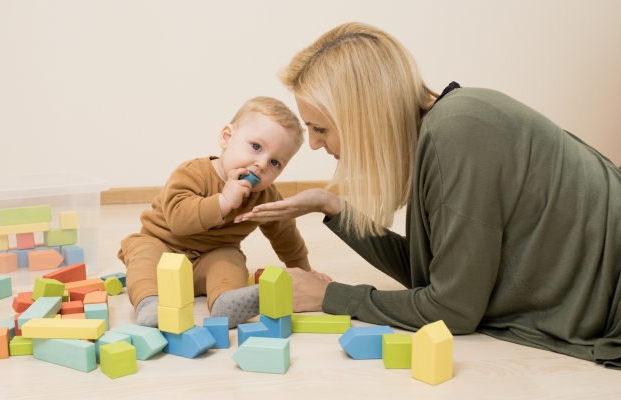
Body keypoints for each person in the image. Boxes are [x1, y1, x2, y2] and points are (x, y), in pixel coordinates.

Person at [235, 22, 621, 368]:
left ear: (363, 117)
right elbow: (434, 277)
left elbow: (453, 310)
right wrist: (332, 206)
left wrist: (330, 296)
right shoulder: (445, 127)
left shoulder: (458, 134)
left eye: (320, 128)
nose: (315, 145)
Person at [118, 96, 331, 328]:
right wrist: (223, 201)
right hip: (164, 248)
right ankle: (150, 304)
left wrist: (304, 271)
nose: (261, 164)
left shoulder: (265, 195)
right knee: (143, 254)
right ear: (227, 138)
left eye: (275, 163)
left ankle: (225, 303)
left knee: (230, 259)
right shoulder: (192, 173)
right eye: (256, 147)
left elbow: (285, 234)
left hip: (210, 258)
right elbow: (179, 220)